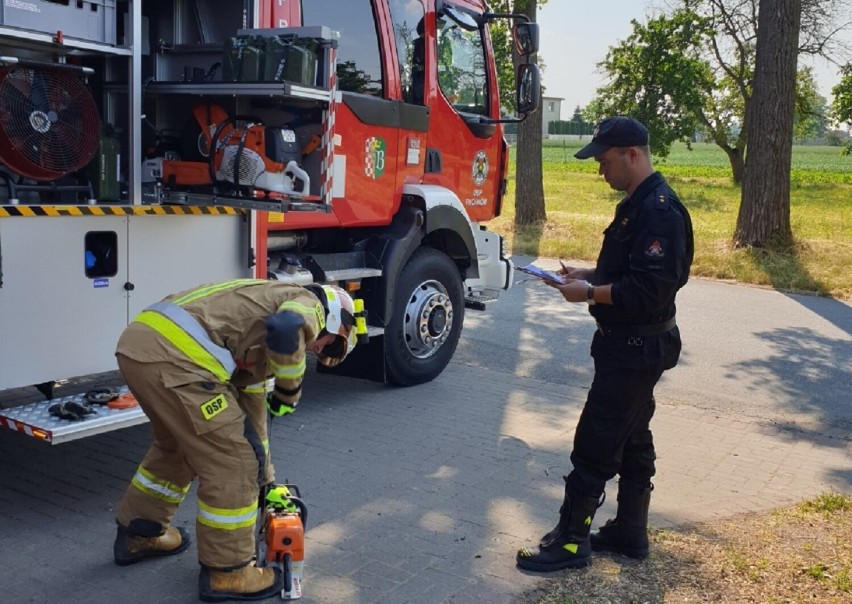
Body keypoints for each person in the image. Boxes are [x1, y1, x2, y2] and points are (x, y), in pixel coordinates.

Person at [516, 116, 694, 572]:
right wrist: (587, 275)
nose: (600, 170)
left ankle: (571, 543)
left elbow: (652, 290)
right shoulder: (636, 205)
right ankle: (630, 533)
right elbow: (629, 270)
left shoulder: (660, 210)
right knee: (633, 436)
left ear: (632, 155)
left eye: (605, 160)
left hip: (637, 349)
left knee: (596, 442)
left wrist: (591, 295)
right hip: (626, 346)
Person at [111, 279, 358, 601]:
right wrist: (289, 392)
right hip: (178, 361)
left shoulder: (260, 326)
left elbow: (253, 421)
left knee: (178, 450)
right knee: (233, 464)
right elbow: (287, 328)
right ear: (335, 318)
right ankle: (229, 573)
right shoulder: (307, 303)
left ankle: (139, 534)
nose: (317, 349)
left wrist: (266, 480)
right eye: (327, 344)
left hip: (140, 349)